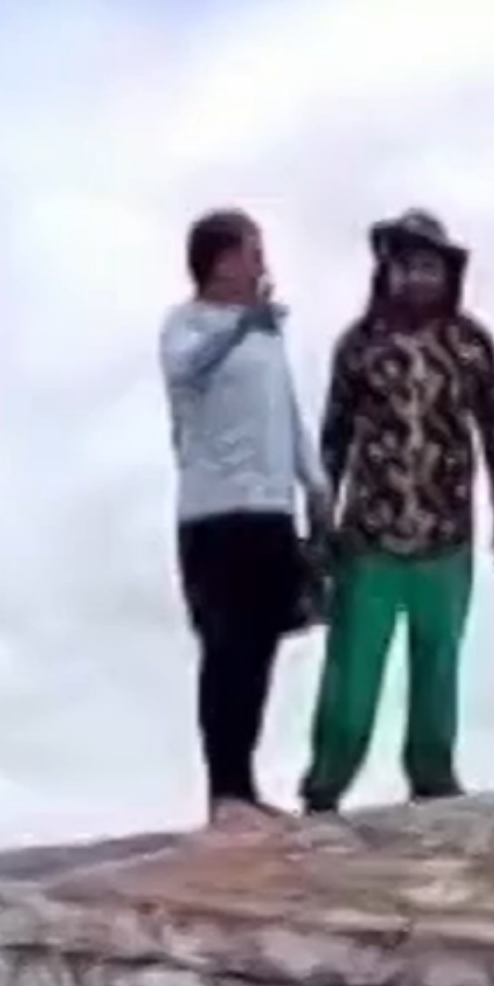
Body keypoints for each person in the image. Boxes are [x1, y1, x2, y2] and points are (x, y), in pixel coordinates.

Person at [301, 208, 494, 809]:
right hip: (369, 536)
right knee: (352, 672)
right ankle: (326, 784)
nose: (421, 278)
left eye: (432, 267)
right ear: (387, 271)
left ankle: (432, 775)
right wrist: (318, 527)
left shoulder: (471, 345)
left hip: (446, 536)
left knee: (439, 664)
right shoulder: (359, 345)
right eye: (409, 266)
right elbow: (333, 440)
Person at [159, 209, 330, 829]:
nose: (263, 265)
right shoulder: (187, 325)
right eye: (254, 252)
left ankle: (246, 788)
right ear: (223, 260)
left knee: (259, 649)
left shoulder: (265, 334)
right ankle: (223, 791)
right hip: (214, 512)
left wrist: (316, 487)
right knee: (225, 648)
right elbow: (185, 368)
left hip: (271, 512)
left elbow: (287, 412)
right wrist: (238, 327)